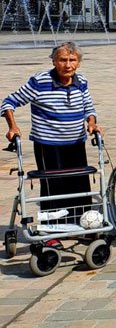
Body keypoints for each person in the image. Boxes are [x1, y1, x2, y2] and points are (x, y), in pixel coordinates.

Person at [2, 42, 104, 218]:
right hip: (48, 144)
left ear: (79, 62)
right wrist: (13, 126)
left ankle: (81, 221)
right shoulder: (40, 82)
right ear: (54, 61)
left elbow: (89, 107)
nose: (68, 65)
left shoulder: (81, 81)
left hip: (76, 142)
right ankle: (52, 226)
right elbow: (8, 103)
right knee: (53, 185)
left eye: (72, 60)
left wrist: (92, 122)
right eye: (63, 60)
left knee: (79, 183)